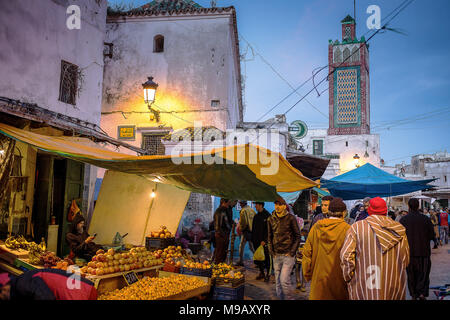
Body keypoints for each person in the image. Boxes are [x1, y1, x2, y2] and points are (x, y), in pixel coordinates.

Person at [340, 197, 410, 300]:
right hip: (393, 284)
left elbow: (346, 256)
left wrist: (349, 277)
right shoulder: (399, 229)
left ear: (369, 209)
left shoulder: (357, 228)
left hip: (364, 286)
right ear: (385, 210)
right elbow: (405, 259)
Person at [302, 197, 350, 300]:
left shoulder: (317, 227)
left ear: (329, 211)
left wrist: (307, 275)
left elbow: (306, 252)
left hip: (318, 281)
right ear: (344, 213)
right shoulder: (348, 230)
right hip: (339, 284)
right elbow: (350, 258)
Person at [399, 198, 435, 300]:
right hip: (424, 252)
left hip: (409, 253)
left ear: (409, 207)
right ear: (418, 206)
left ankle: (414, 294)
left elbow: (400, 237)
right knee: (423, 274)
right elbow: (432, 235)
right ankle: (422, 293)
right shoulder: (426, 219)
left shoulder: (403, 220)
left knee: (411, 275)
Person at [267, 196, 301, 300]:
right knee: (277, 281)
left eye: (280, 204)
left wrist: (292, 252)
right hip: (276, 254)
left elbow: (297, 236)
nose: (277, 206)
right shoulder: (270, 219)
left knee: (284, 281)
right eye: (276, 204)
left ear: (284, 206)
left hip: (288, 255)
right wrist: (271, 252)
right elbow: (269, 236)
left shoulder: (290, 218)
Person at [0, 269, 97, 300]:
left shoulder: (21, 283)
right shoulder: (22, 280)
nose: (3, 296)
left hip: (81, 293)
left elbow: (46, 297)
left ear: (5, 287)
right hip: (85, 289)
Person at [251, 201, 272, 282]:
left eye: (256, 204)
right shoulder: (256, 216)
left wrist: (265, 240)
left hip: (264, 242)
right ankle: (261, 273)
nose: (255, 206)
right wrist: (253, 240)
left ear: (261, 205)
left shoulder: (267, 216)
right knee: (258, 258)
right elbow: (254, 229)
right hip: (256, 241)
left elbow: (269, 230)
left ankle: (268, 275)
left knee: (267, 259)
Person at [235, 200, 256, 266]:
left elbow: (243, 223)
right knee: (252, 247)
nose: (240, 205)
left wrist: (240, 230)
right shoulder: (252, 210)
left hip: (246, 231)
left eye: (240, 203)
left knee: (241, 246)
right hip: (252, 231)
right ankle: (258, 260)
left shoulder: (243, 211)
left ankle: (241, 261)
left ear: (242, 203)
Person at [213, 198, 231, 264]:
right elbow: (219, 225)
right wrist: (222, 234)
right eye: (228, 202)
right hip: (221, 235)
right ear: (224, 202)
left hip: (223, 234)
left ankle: (221, 266)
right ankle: (218, 267)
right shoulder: (220, 211)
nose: (229, 204)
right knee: (220, 253)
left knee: (222, 252)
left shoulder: (223, 210)